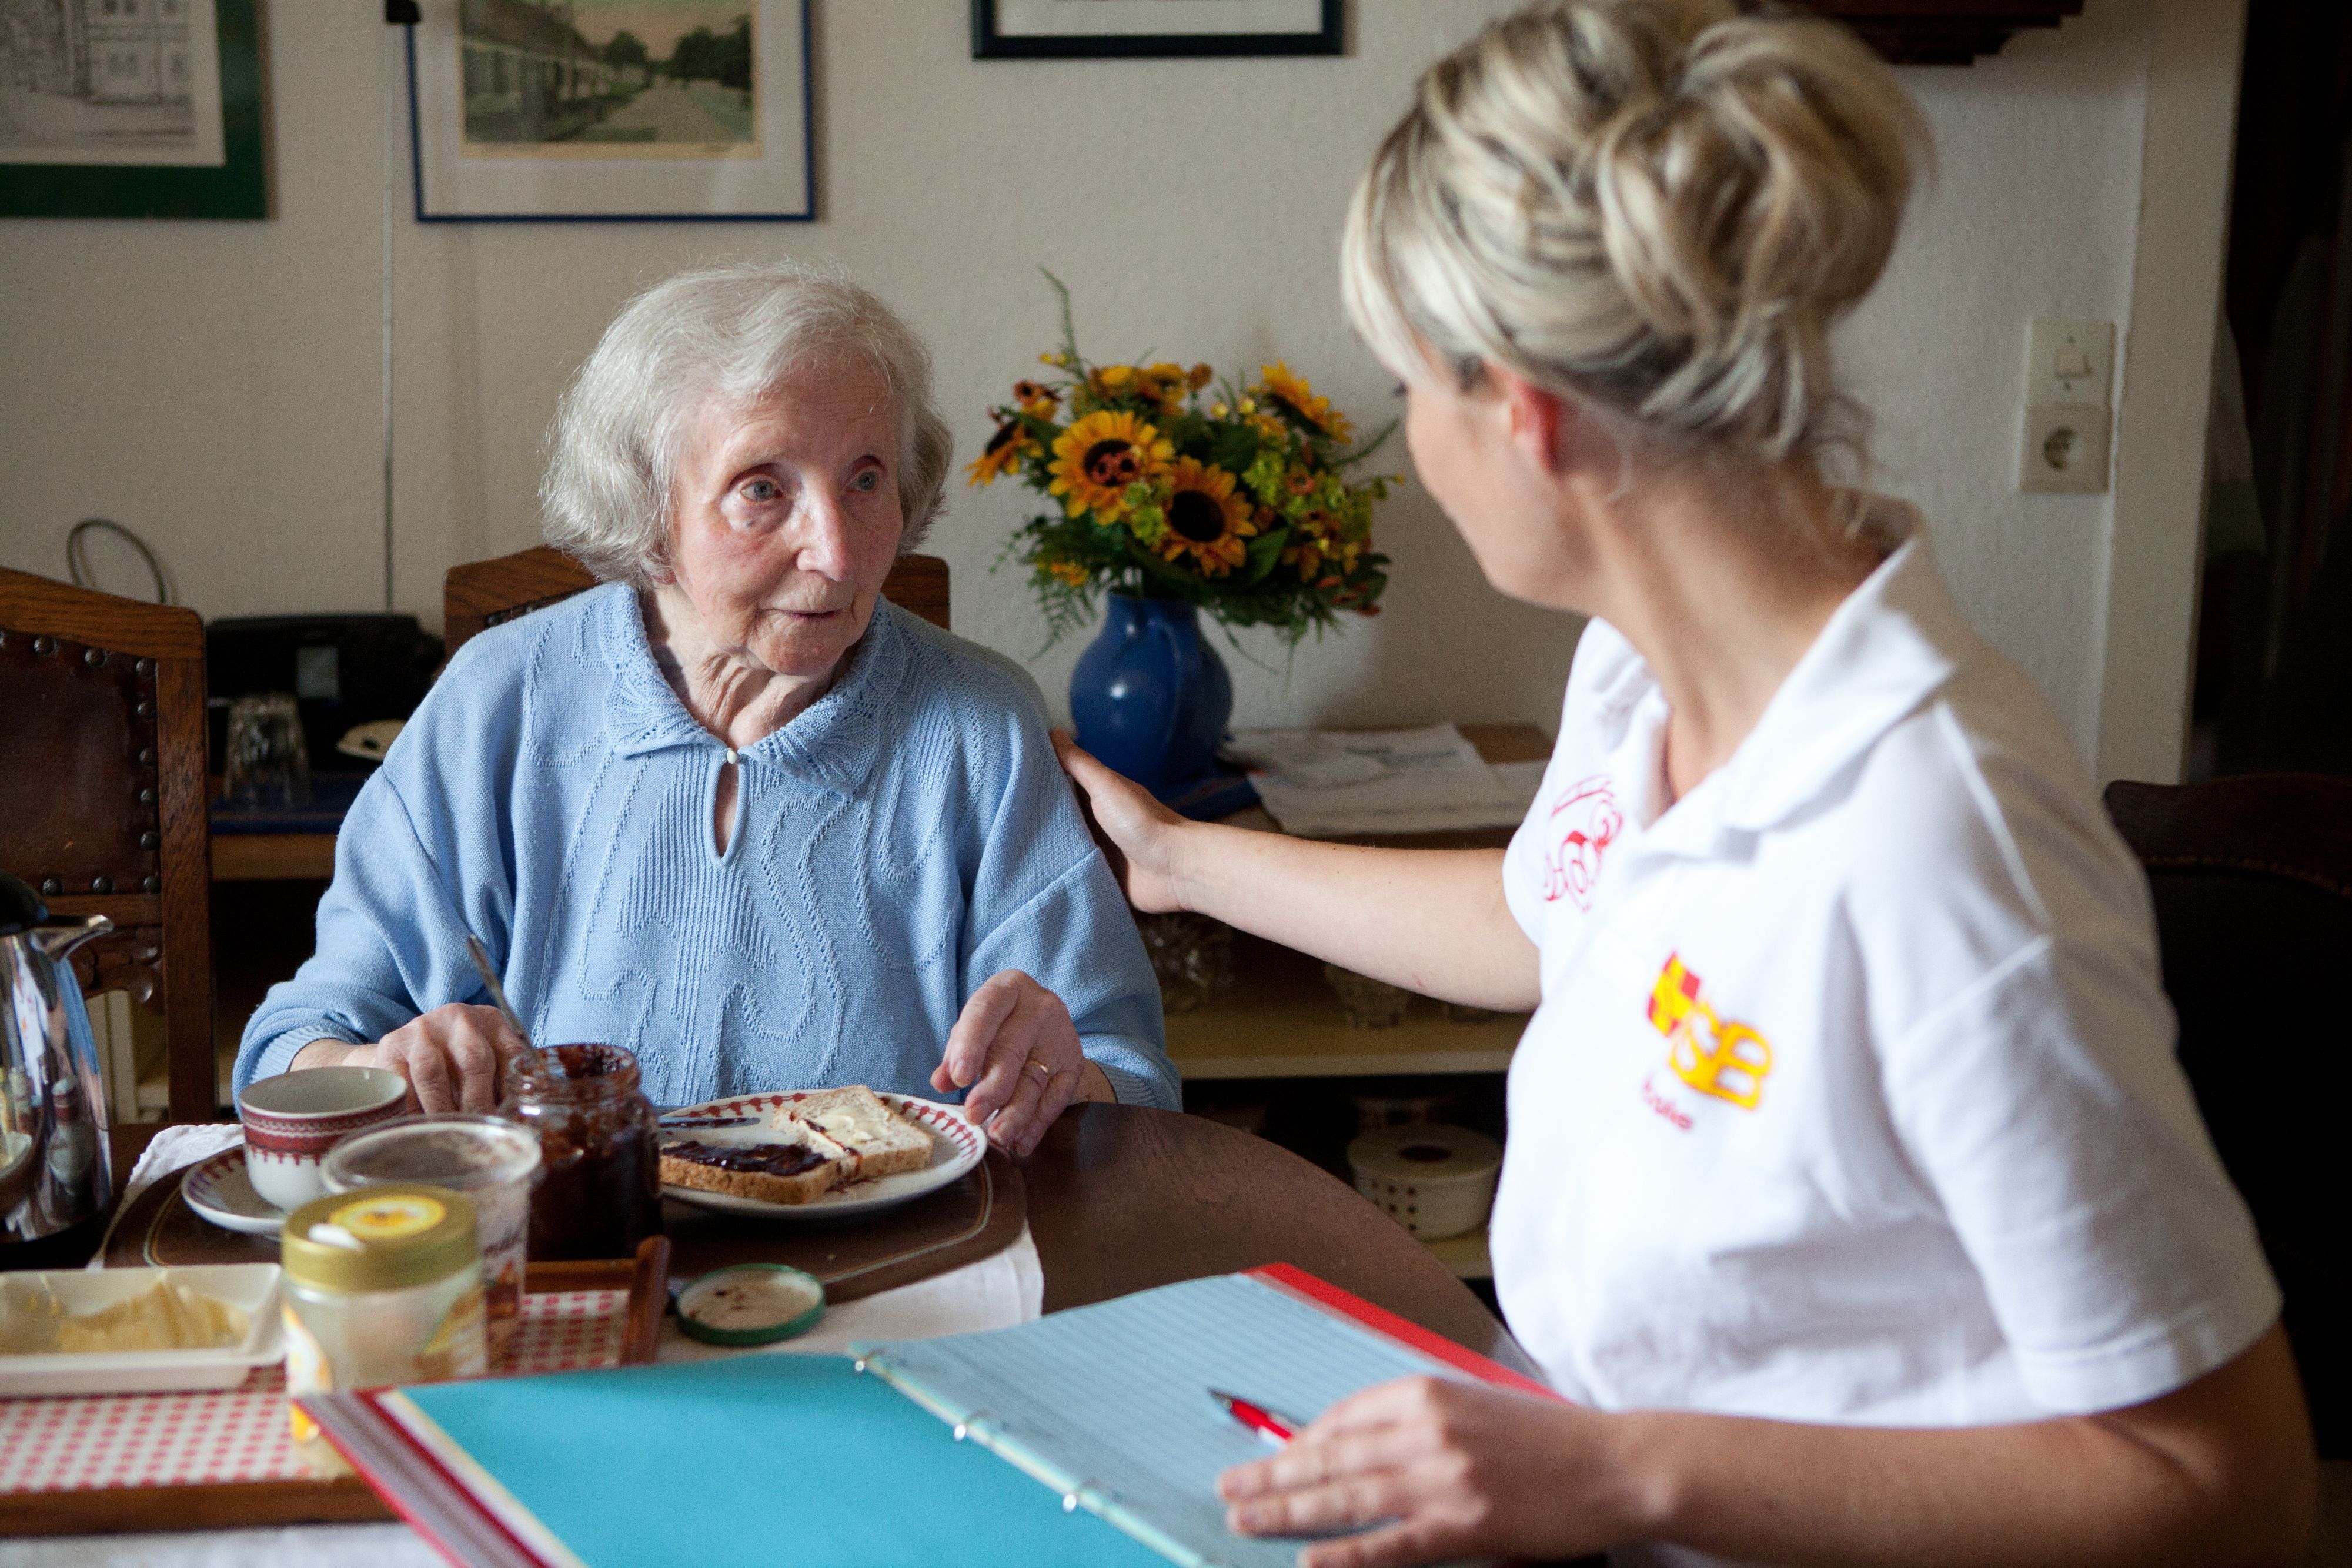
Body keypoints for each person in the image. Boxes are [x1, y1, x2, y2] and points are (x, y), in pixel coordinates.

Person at [1055, 3, 2318, 1563]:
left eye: (1410, 393)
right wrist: (1178, 857)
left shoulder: (1944, 850)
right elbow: (1553, 921)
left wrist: (1625, 1474)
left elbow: (2232, 1481)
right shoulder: (1646, 666)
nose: (1416, 457)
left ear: (1520, 415)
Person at [235, 262, 1177, 1152]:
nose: (840, 556)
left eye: (866, 479)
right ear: (650, 512)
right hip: (581, 1257)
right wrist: (376, 1068)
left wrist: (1067, 1079)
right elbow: (290, 1049)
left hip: (888, 1269)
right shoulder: (501, 701)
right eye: (763, 490)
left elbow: (1135, 1080)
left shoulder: (979, 724)